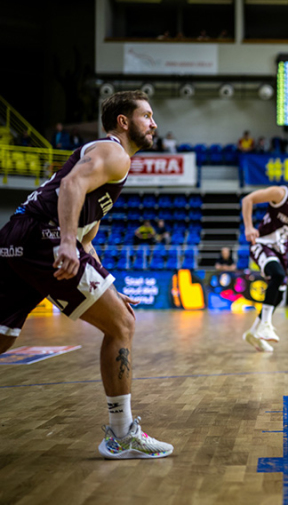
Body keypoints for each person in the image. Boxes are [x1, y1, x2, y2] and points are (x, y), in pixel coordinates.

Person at [0, 90, 173, 459]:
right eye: (147, 116)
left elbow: (87, 240)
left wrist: (107, 283)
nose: (154, 123)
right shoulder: (114, 153)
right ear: (124, 122)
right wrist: (64, 243)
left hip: (16, 236)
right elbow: (70, 186)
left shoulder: (108, 161)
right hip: (44, 237)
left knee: (2, 336)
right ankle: (122, 433)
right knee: (122, 325)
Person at [240, 165, 288, 352]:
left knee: (279, 292)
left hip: (280, 250)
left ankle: (253, 333)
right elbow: (248, 200)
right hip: (261, 243)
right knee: (276, 275)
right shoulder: (281, 193)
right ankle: (266, 324)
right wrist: (249, 227)